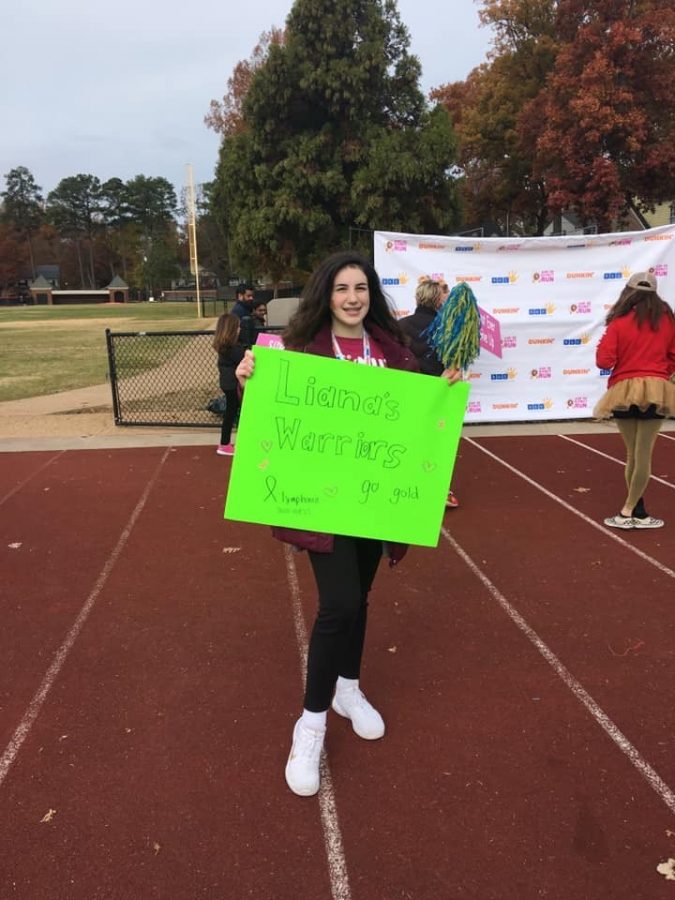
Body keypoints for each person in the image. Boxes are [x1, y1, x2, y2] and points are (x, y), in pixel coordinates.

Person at [235, 250, 460, 797]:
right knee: (337, 605)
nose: (353, 298)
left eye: (361, 287)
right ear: (325, 295)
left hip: (377, 501)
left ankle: (348, 687)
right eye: (342, 289)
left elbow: (417, 418)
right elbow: (273, 412)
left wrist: (444, 393)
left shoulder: (397, 353)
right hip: (322, 502)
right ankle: (310, 723)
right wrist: (249, 382)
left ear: (372, 294)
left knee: (358, 598)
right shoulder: (297, 352)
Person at [593, 271, 675, 529]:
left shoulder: (618, 323)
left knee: (633, 455)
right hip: (656, 388)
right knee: (643, 454)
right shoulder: (668, 322)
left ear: (628, 293)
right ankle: (636, 511)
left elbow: (603, 361)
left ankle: (629, 510)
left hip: (624, 390)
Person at [399, 278, 461, 508]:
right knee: (437, 442)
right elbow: (454, 364)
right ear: (438, 301)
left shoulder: (401, 325)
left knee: (410, 439)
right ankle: (439, 490)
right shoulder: (448, 328)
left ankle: (406, 487)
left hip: (411, 391)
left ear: (418, 299)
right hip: (440, 390)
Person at [213, 313, 246, 456]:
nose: (240, 329)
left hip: (228, 384)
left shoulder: (225, 346)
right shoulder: (233, 349)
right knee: (232, 413)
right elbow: (245, 356)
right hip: (233, 385)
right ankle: (224, 444)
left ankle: (225, 442)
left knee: (232, 413)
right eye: (238, 327)